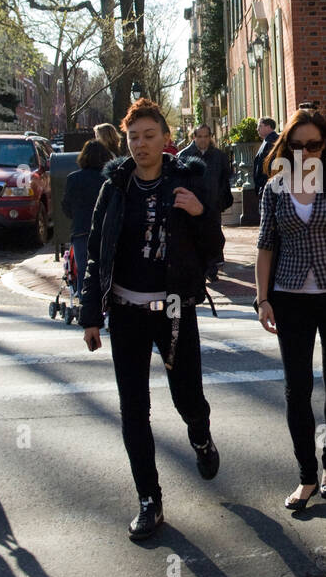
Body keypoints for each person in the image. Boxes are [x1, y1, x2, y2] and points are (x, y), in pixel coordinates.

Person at [80, 99, 224, 540]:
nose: (140, 145)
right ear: (125, 142)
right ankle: (149, 500)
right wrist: (90, 312)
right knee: (133, 410)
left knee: (187, 397)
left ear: (166, 139)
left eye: (149, 136)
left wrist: (200, 214)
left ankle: (200, 435)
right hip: (126, 311)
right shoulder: (115, 187)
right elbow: (94, 255)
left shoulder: (189, 181)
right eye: (133, 138)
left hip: (176, 308)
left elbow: (213, 247)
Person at [255, 109, 326, 511]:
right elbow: (265, 246)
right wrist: (263, 298)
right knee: (297, 389)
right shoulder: (274, 189)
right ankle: (306, 476)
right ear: (287, 146)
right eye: (298, 144)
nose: (306, 152)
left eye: (315, 145)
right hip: (290, 297)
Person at [178, 124, 233, 282]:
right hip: (193, 205)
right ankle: (200, 267)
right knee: (195, 236)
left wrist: (221, 199)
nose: (203, 140)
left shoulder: (219, 156)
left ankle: (211, 267)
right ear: (193, 137)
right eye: (199, 136)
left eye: (206, 136)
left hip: (213, 204)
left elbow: (225, 179)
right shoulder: (184, 156)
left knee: (214, 235)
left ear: (210, 137)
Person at [61, 140, 111, 299]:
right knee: (106, 266)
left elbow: (66, 206)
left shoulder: (73, 178)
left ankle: (85, 301)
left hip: (81, 228)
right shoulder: (108, 179)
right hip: (105, 229)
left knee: (83, 268)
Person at [252, 117, 278, 198]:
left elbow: (270, 166)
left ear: (268, 126)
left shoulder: (272, 141)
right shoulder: (267, 141)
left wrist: (263, 185)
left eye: (260, 126)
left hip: (268, 188)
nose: (257, 129)